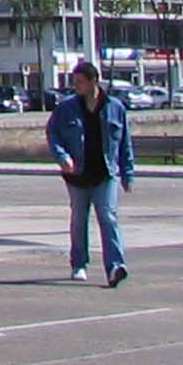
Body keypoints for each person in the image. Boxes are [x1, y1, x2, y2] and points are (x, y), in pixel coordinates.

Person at [48, 59, 134, 286]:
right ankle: (79, 264)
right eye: (74, 82)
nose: (75, 86)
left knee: (108, 217)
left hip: (105, 173)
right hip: (77, 176)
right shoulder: (66, 108)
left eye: (80, 82)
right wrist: (62, 157)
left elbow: (125, 142)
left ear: (93, 82)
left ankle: (115, 266)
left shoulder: (115, 108)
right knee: (79, 219)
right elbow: (53, 134)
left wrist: (128, 173)